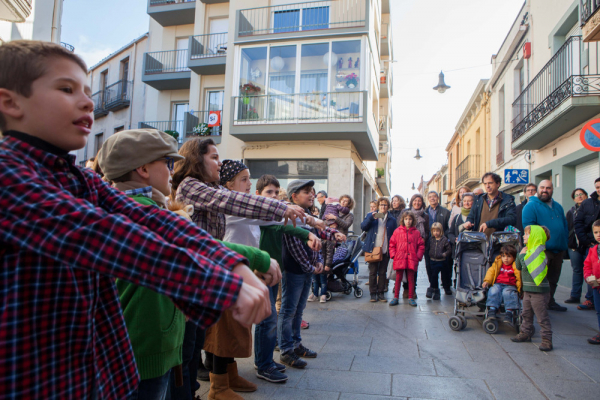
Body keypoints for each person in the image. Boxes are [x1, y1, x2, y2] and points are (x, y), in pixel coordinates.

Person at [0, 41, 271, 400]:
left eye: (86, 90)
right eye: (66, 89)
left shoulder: (79, 179)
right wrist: (219, 283)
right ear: (10, 103)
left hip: (93, 371)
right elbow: (109, 237)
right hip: (36, 377)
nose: (87, 102)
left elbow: (158, 223)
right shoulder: (10, 177)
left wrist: (232, 264)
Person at [172, 139, 306, 399]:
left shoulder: (208, 189)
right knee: (196, 345)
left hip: (211, 276)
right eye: (213, 157)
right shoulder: (192, 186)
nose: (218, 163)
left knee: (202, 339)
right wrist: (283, 207)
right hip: (200, 279)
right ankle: (210, 388)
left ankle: (219, 381)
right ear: (195, 160)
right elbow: (232, 213)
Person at [278, 180, 344, 369]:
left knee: (299, 311)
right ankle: (286, 350)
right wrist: (311, 267)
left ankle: (296, 344)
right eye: (306, 192)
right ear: (293, 196)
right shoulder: (291, 216)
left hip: (307, 270)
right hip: (294, 271)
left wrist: (334, 235)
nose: (311, 195)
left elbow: (319, 231)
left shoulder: (307, 215)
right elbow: (294, 246)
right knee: (288, 311)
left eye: (312, 192)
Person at [522, 180, 568, 312]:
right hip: (542, 250)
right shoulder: (531, 206)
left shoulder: (558, 206)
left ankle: (549, 301)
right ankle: (537, 306)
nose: (545, 190)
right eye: (542, 187)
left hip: (558, 250)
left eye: (548, 188)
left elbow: (564, 225)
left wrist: (564, 242)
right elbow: (528, 229)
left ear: (552, 189)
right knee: (540, 279)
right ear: (538, 189)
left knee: (553, 279)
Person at [512, 225, 553, 352]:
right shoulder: (527, 251)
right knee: (526, 314)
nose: (524, 236)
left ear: (535, 237)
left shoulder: (540, 254)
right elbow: (518, 266)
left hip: (539, 292)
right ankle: (525, 333)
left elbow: (531, 269)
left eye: (527, 234)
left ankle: (547, 340)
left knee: (541, 317)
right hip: (528, 291)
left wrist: (523, 256)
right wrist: (520, 254)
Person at [362, 197, 397, 302]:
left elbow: (394, 235)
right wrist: (371, 218)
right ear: (378, 206)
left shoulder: (392, 219)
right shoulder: (371, 215)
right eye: (381, 204)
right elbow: (363, 227)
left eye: (385, 205)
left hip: (385, 249)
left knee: (382, 273)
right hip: (373, 249)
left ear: (388, 207)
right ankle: (373, 293)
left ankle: (381, 293)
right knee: (372, 272)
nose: (383, 207)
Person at [388, 211, 425, 307]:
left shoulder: (416, 232)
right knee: (398, 279)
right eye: (406, 219)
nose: (408, 221)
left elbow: (421, 245)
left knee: (411, 279)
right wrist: (393, 255)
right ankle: (396, 297)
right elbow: (392, 244)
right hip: (400, 258)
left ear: (413, 220)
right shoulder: (397, 231)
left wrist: (418, 256)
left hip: (412, 258)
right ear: (403, 220)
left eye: (410, 219)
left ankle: (410, 297)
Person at [574, 177, 600, 311]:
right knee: (591, 272)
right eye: (597, 187)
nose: (599, 189)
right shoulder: (587, 203)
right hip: (590, 245)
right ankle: (591, 299)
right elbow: (578, 223)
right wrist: (585, 240)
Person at [565, 188, 594, 307]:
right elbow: (567, 229)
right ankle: (575, 295)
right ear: (573, 198)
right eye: (576, 195)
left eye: (581, 194)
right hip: (574, 247)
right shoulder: (571, 212)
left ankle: (590, 298)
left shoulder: (593, 208)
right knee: (577, 270)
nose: (579, 196)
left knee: (590, 271)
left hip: (589, 245)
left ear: (586, 196)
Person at [464, 172, 516, 238]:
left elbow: (512, 219)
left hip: (499, 242)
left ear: (498, 184)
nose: (487, 186)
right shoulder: (478, 200)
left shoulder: (507, 200)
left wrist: (490, 223)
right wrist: (468, 222)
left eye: (490, 183)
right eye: (485, 184)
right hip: (480, 241)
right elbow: (471, 216)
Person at [482, 245, 521, 324]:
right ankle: (492, 309)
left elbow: (519, 277)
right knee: (493, 290)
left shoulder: (515, 265)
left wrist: (520, 289)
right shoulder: (498, 263)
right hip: (498, 284)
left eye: (509, 256)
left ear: (514, 257)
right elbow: (491, 272)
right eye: (503, 256)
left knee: (507, 293)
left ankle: (509, 312)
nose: (505, 259)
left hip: (510, 285)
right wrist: (487, 281)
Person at [401, 194, 430, 299]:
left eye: (419, 201)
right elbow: (400, 227)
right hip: (405, 244)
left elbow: (427, 231)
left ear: (422, 202)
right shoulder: (405, 212)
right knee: (405, 267)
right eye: (415, 200)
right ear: (412, 201)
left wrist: (424, 238)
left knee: (414, 268)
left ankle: (413, 290)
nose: (417, 203)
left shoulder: (425, 215)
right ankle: (406, 289)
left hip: (417, 246)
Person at [425, 191, 452, 297]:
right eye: (430, 197)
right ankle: (434, 287)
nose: (432, 198)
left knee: (445, 269)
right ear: (428, 199)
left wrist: (446, 241)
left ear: (438, 198)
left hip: (442, 244)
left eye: (434, 197)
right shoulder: (425, 212)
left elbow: (449, 228)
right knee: (430, 267)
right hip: (429, 244)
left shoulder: (445, 212)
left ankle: (446, 286)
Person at [583, 220, 600, 344]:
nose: (598, 234)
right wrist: (588, 277)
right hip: (596, 287)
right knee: (598, 310)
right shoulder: (593, 249)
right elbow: (587, 265)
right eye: (596, 232)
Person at [428, 222, 452, 300]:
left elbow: (449, 250)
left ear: (440, 231)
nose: (436, 233)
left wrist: (444, 254)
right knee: (434, 276)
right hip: (433, 260)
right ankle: (435, 290)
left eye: (437, 231)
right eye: (434, 231)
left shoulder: (444, 240)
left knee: (444, 276)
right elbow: (429, 247)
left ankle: (446, 287)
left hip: (441, 261)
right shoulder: (431, 239)